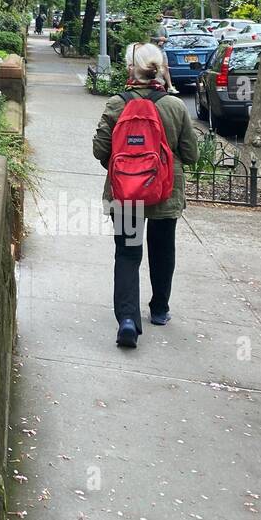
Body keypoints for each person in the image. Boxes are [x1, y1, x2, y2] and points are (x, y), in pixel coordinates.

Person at [92, 41, 198, 348]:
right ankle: (160, 309)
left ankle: (127, 319)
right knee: (163, 251)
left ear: (130, 69)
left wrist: (122, 167)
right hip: (166, 192)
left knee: (127, 253)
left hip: (125, 194)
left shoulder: (116, 104)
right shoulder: (175, 106)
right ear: (160, 69)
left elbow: (99, 149)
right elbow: (190, 154)